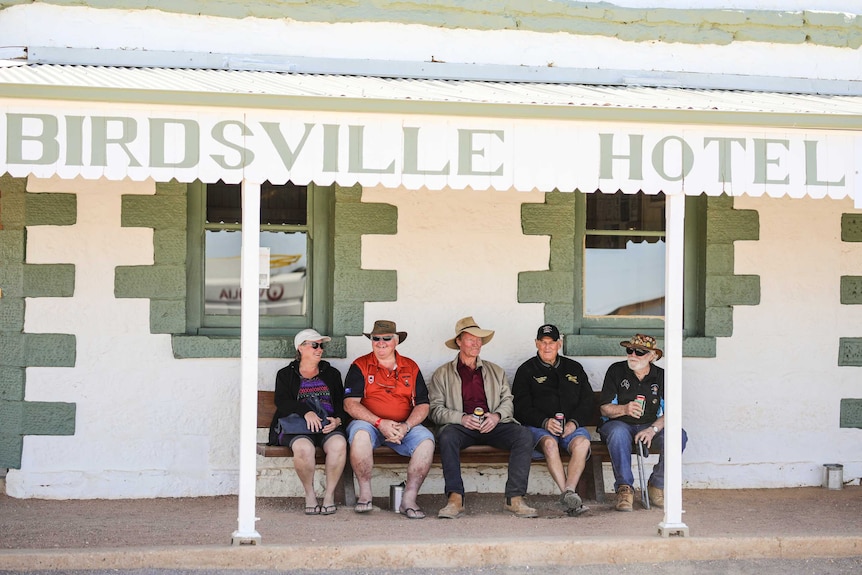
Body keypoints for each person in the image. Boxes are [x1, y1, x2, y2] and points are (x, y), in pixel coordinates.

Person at [429, 316, 538, 519]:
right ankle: (455, 498)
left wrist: (496, 416)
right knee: (447, 437)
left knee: (523, 435)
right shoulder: (442, 374)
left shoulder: (495, 371)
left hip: (492, 425)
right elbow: (435, 410)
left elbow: (508, 401)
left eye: (479, 339)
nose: (476, 343)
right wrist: (461, 418)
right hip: (462, 426)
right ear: (459, 342)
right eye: (471, 339)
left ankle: (514, 499)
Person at [344, 320, 435, 519]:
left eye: (386, 338)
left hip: (404, 426)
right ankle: (365, 494)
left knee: (426, 441)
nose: (381, 342)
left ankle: (409, 499)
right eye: (376, 338)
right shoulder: (360, 365)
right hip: (370, 424)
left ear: (396, 341)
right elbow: (350, 404)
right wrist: (379, 423)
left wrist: (406, 426)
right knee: (359, 435)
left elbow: (423, 404)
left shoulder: (410, 366)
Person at [598, 334, 688, 512]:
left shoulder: (661, 376)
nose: (632, 355)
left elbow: (672, 411)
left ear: (652, 356)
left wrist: (653, 429)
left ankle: (656, 485)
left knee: (678, 436)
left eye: (639, 352)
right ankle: (625, 489)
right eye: (629, 350)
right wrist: (624, 409)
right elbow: (604, 408)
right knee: (617, 433)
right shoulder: (616, 371)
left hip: (650, 425)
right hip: (620, 423)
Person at [512, 324, 594, 516]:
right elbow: (520, 407)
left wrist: (574, 422)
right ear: (536, 343)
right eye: (543, 342)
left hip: (571, 427)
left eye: (551, 343)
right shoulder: (526, 370)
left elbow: (588, 401)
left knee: (582, 443)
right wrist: (545, 422)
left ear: (559, 344)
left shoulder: (574, 368)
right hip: (540, 428)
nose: (547, 347)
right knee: (550, 444)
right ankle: (569, 497)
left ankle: (569, 492)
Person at [269, 328, 347, 515]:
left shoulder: (332, 373)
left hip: (327, 426)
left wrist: (337, 421)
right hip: (298, 427)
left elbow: (341, 403)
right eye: (314, 345)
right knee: (304, 448)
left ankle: (329, 496)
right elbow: (282, 402)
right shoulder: (285, 374)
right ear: (301, 348)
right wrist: (305, 412)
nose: (319, 349)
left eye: (321, 346)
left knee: (339, 444)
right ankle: (310, 495)